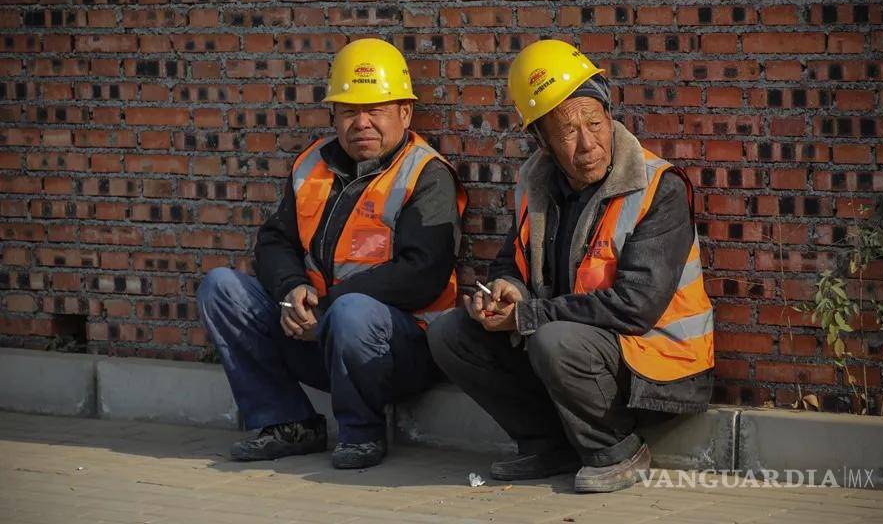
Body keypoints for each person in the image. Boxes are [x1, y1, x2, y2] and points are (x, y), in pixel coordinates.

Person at [427, 39, 714, 493]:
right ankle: (547, 445)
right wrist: (507, 291)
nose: (587, 144)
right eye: (566, 132)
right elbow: (512, 262)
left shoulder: (659, 187)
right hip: (573, 354)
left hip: (661, 369)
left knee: (552, 338)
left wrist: (528, 316)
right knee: (450, 332)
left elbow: (636, 307)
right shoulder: (537, 184)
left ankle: (615, 449)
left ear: (610, 116)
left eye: (595, 123)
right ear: (541, 139)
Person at [197, 38, 466, 469]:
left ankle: (361, 434)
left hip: (398, 350)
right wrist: (292, 290)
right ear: (334, 116)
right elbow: (274, 241)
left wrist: (327, 306)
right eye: (348, 111)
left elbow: (423, 272)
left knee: (353, 311)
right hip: (318, 332)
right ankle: (289, 423)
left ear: (404, 113)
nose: (361, 122)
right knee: (221, 287)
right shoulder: (312, 165)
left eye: (374, 109)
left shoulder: (426, 175)